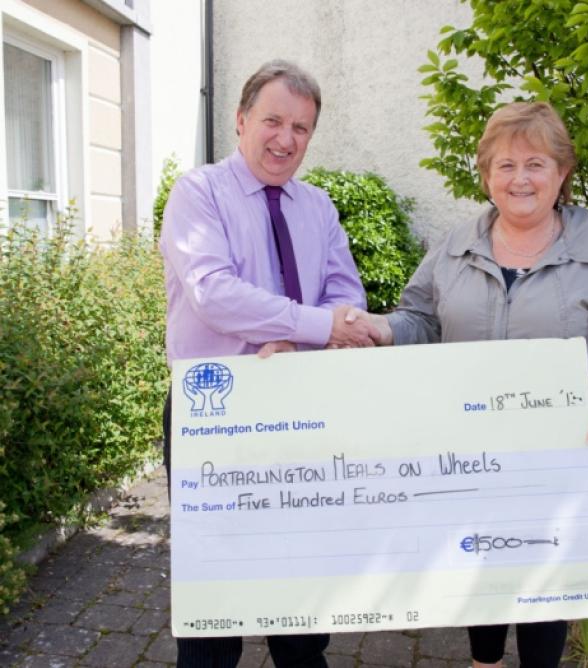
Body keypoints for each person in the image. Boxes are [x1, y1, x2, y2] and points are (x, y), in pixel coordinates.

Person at [365, 101, 588, 667]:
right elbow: (419, 320)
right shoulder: (454, 249)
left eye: (535, 164)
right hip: (471, 458)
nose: (519, 178)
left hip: (563, 457)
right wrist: (376, 328)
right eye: (505, 165)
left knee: (546, 592)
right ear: (486, 174)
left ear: (561, 173)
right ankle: (484, 663)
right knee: (479, 572)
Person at [160, 59, 377, 668]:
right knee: (216, 587)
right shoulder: (197, 193)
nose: (286, 139)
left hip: (300, 410)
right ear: (240, 120)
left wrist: (310, 340)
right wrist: (304, 326)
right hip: (215, 414)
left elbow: (345, 293)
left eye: (301, 128)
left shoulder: (319, 207)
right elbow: (213, 292)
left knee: (300, 579)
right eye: (273, 121)